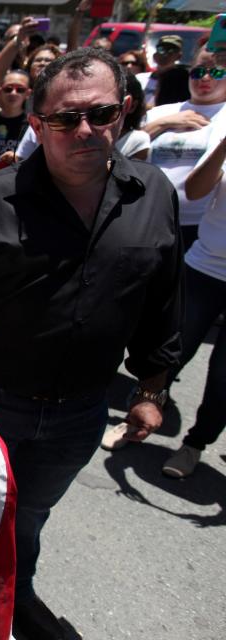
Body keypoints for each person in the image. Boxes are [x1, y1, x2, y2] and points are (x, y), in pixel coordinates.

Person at [0, 48, 182, 640]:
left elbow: (163, 301)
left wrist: (150, 388)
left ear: (127, 111)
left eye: (102, 113)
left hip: (79, 417)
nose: (85, 130)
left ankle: (12, 602)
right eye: (66, 119)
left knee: (28, 521)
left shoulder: (155, 196)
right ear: (38, 125)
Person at [158, 110, 226, 478]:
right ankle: (145, 412)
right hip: (205, 268)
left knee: (223, 379)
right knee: (172, 351)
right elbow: (196, 189)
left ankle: (194, 444)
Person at [144, 42, 226, 252]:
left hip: (199, 228)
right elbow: (123, 153)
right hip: (149, 221)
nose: (205, 78)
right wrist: (162, 124)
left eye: (215, 72)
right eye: (198, 71)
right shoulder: (159, 113)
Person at [138, 35, 185, 109]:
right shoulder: (140, 78)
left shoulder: (182, 83)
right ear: (155, 55)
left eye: (172, 50)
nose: (166, 54)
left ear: (179, 56)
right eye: (162, 49)